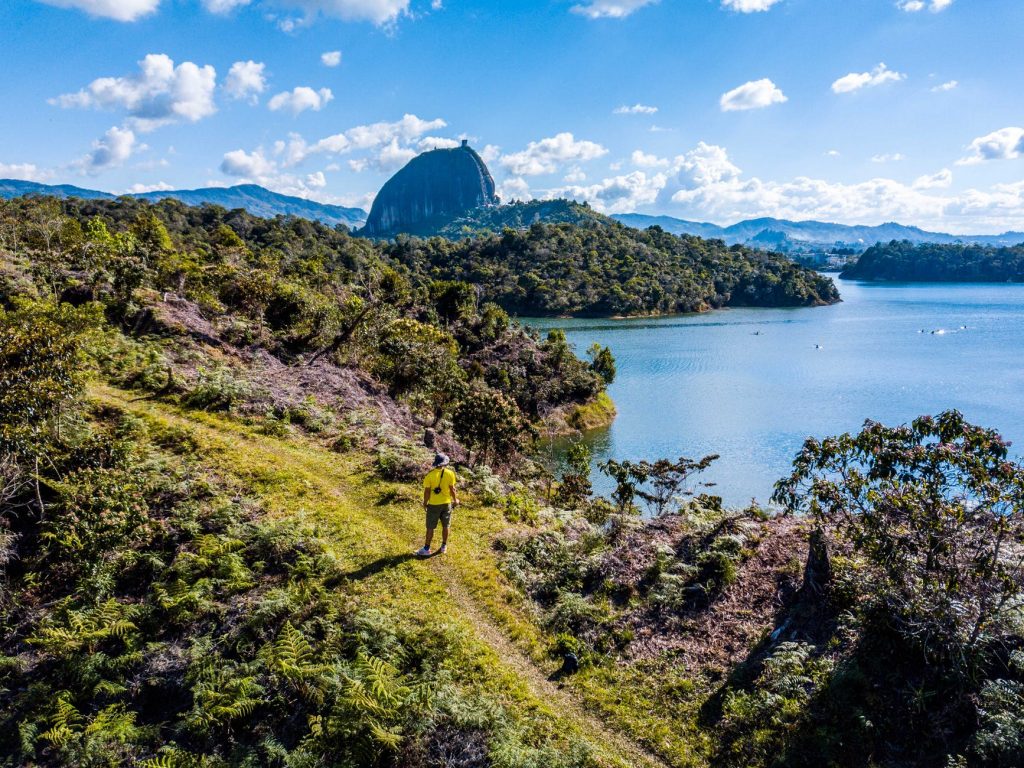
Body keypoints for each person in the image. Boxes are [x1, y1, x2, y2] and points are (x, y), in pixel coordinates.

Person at [416, 453, 459, 557]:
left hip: (434, 505)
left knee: (430, 527)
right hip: (447, 503)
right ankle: (444, 546)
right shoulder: (450, 473)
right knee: (446, 525)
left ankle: (426, 549)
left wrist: (425, 503)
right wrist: (455, 500)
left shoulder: (429, 476)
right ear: (445, 463)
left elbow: (427, 492)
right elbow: (452, 489)